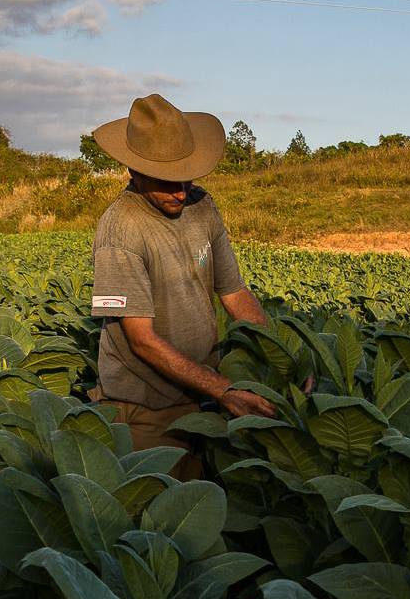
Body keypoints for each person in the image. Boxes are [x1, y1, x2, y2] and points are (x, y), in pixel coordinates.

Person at [86, 94, 278, 475]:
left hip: (204, 395)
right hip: (148, 410)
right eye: (166, 181)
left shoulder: (200, 204)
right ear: (133, 171)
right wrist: (224, 390)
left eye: (186, 178)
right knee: (159, 521)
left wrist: (280, 355)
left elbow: (234, 292)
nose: (180, 191)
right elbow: (141, 340)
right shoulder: (120, 231)